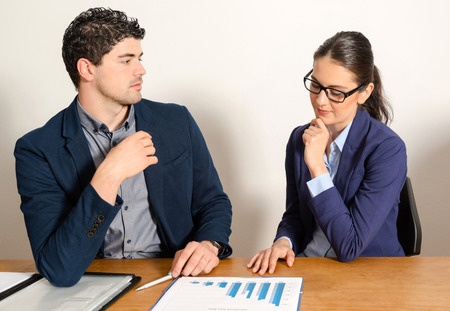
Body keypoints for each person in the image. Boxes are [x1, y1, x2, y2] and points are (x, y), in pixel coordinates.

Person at [14, 7, 232, 287]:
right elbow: (59, 269)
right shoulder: (38, 149)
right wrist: (109, 175)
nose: (141, 70)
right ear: (87, 68)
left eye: (139, 58)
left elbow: (213, 201)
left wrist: (208, 243)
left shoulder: (176, 121)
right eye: (126, 60)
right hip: (92, 282)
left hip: (174, 276)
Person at [247, 31, 407, 275]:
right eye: (316, 85)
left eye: (336, 92)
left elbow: (350, 246)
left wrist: (317, 168)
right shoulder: (299, 138)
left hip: (369, 276)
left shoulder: (387, 149)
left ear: (364, 92)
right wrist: (283, 242)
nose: (320, 100)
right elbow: (296, 216)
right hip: (310, 267)